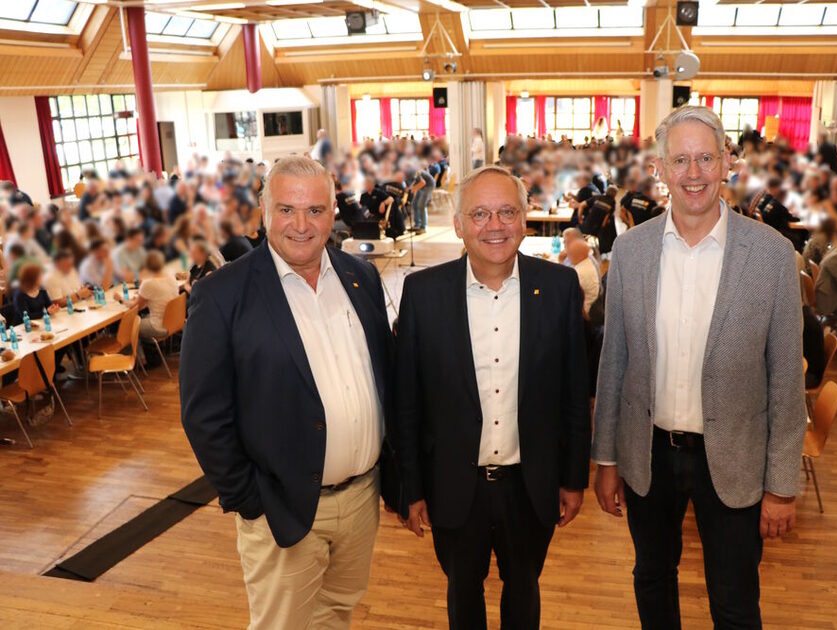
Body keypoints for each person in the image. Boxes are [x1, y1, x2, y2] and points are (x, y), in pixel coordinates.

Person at [593, 106, 807, 630]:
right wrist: (605, 459)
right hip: (649, 457)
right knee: (652, 579)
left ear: (728, 163)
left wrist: (782, 485)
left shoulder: (773, 255)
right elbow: (613, 361)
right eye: (681, 160)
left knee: (735, 602)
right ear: (659, 169)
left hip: (734, 460)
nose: (694, 173)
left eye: (706, 158)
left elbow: (785, 379)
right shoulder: (630, 251)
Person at [180, 156, 397, 630]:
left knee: (337, 615)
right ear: (263, 211)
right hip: (279, 507)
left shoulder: (361, 279)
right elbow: (204, 416)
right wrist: (249, 500)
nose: (301, 225)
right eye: (286, 210)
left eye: (316, 210)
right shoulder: (222, 295)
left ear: (333, 210)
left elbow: (382, 376)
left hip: (362, 499)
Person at [394, 165, 590, 630]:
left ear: (525, 219)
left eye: (506, 211)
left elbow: (574, 395)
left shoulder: (560, 289)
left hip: (531, 485)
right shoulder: (422, 294)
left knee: (524, 591)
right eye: (479, 213)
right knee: (463, 594)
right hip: (453, 486)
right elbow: (407, 401)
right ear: (459, 224)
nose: (494, 225)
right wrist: (411, 487)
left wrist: (573, 477)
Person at [114, 251, 179, 341]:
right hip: (175, 320)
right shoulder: (171, 275)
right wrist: (142, 294)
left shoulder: (148, 283)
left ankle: (138, 355)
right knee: (142, 318)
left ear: (146, 266)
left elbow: (135, 307)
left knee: (128, 326)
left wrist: (120, 299)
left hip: (159, 326)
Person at [566, 237, 600, 317]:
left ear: (579, 255)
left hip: (584, 313)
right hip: (587, 306)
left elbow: (568, 297)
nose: (568, 256)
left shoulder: (580, 272)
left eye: (571, 253)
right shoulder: (586, 262)